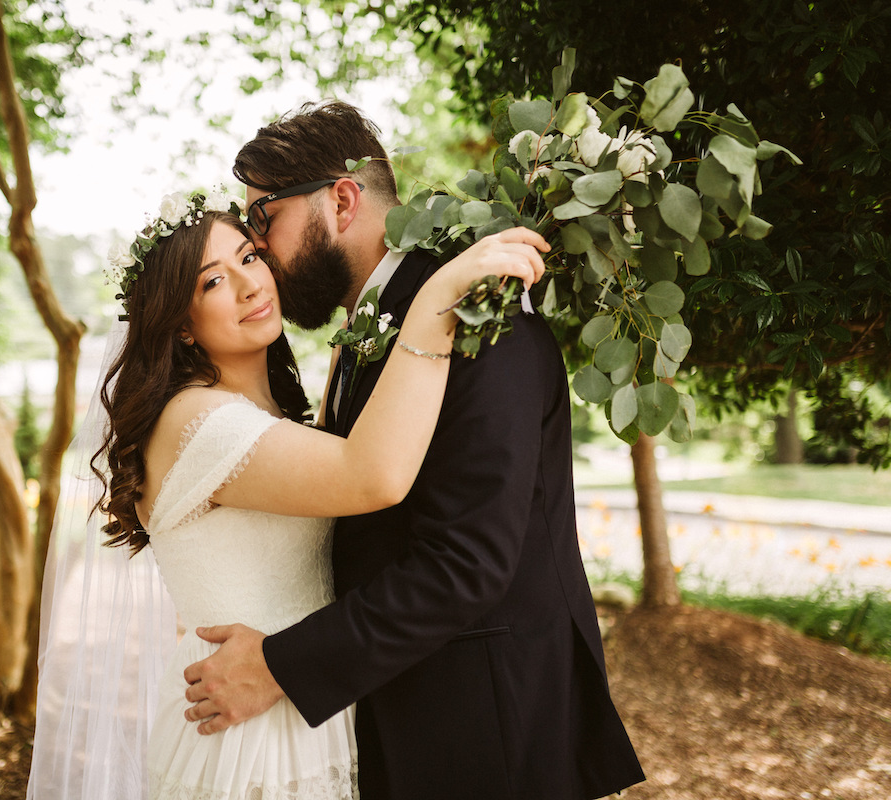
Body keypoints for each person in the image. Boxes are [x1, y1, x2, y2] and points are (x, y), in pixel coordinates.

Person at [181, 101, 647, 799]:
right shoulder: (387, 320)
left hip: (489, 732)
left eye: (263, 218)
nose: (259, 247)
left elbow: (466, 564)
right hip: (409, 718)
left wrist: (282, 666)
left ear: (341, 200)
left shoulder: (479, 319)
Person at [26, 189, 547, 800]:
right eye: (212, 282)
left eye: (249, 257)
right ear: (181, 327)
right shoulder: (198, 422)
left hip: (301, 705)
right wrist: (436, 300)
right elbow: (372, 475)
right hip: (248, 734)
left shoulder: (275, 419)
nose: (249, 286)